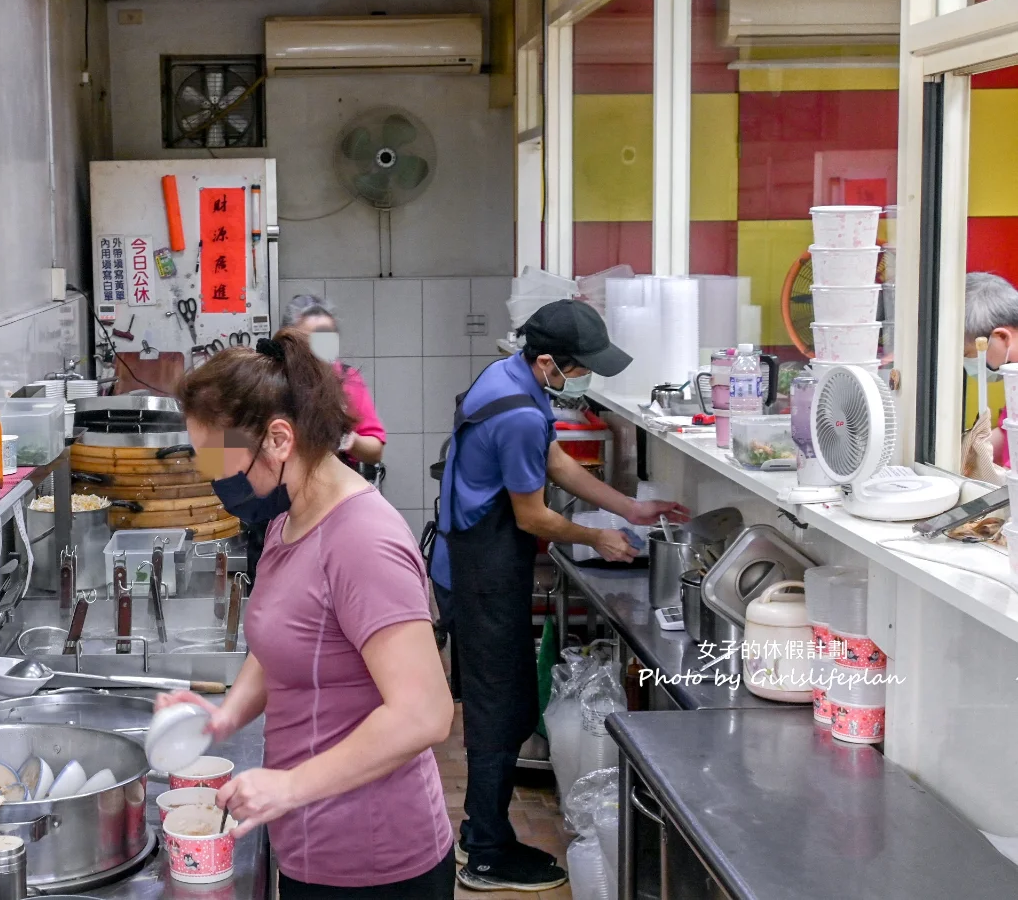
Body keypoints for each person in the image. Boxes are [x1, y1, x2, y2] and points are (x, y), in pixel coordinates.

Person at [161, 332, 457, 899]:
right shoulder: (288, 519)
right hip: (308, 845)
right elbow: (279, 642)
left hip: (375, 860)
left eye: (222, 461)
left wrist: (291, 786)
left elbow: (425, 714)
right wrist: (225, 718)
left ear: (278, 438)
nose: (215, 481)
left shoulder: (362, 542)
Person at [433, 299, 689, 893]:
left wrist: (628, 509)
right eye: (580, 367)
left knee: (512, 704)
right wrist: (598, 534)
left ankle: (486, 835)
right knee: (500, 713)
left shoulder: (511, 379)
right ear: (548, 361)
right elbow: (534, 518)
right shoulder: (517, 411)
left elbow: (553, 462)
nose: (585, 377)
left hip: (477, 564)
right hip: (479, 575)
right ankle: (486, 853)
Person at [283, 294, 386, 466]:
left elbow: (375, 452)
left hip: (333, 485)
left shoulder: (347, 379)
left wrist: (349, 439)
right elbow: (233, 437)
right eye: (309, 340)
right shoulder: (272, 376)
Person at [964, 271, 1018, 468]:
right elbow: (1008, 433)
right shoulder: (1014, 381)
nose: (967, 364)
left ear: (1001, 337)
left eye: (969, 354)